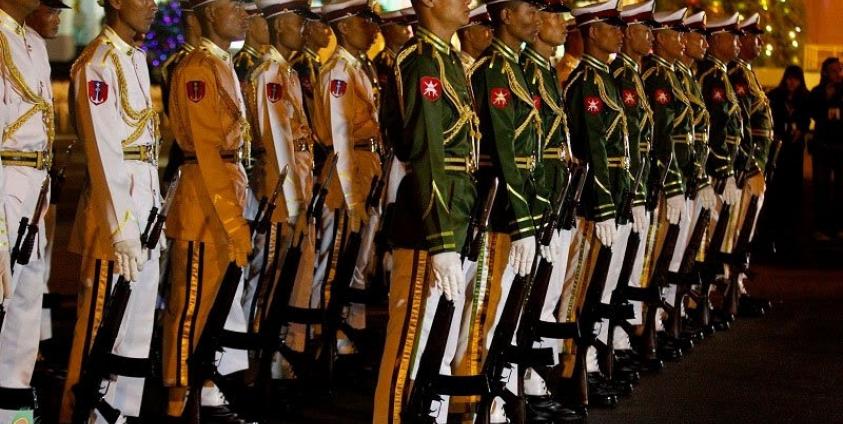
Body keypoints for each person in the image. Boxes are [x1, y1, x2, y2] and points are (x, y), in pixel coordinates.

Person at [372, 0, 479, 418]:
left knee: (441, 337)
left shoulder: (448, 59)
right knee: (410, 345)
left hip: (454, 210)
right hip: (428, 221)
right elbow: (427, 151)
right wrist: (440, 239)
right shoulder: (421, 61)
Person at [61, 0, 161, 420]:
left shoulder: (134, 58)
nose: (153, 6)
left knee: (135, 330)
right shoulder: (97, 62)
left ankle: (121, 414)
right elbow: (104, 152)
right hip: (115, 211)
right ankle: (85, 414)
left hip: (143, 200)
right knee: (103, 325)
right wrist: (122, 227)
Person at [164, 0, 253, 418]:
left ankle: (206, 391)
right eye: (233, 5)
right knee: (192, 307)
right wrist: (235, 222)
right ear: (208, 13)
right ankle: (179, 402)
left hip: (222, 193)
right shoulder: (199, 67)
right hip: (205, 202)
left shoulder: (221, 63)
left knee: (215, 303)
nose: (244, 13)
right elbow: (205, 149)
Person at [461, 0, 545, 419]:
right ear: (506, 16)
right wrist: (523, 219)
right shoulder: (493, 70)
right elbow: (504, 151)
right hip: (497, 208)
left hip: (514, 204)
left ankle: (492, 391)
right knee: (484, 307)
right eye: (529, 10)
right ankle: (474, 398)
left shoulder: (517, 69)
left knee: (503, 307)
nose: (538, 19)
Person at [560, 0, 629, 413]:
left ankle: (581, 364)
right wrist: (603, 204)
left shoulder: (604, 79)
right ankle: (568, 371)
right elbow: (594, 149)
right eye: (610, 25)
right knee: (575, 291)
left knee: (592, 286)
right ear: (590, 31)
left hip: (606, 198)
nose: (617, 31)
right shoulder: (585, 80)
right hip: (589, 203)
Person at [243, 0, 315, 380]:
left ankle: (276, 355)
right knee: (267, 274)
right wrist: (292, 204)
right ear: (276, 24)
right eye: (296, 22)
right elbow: (276, 144)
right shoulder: (269, 74)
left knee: (285, 275)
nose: (302, 29)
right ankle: (256, 358)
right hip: (278, 194)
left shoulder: (285, 71)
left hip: (295, 190)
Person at [311, 0, 382, 356]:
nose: (372, 26)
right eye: (364, 20)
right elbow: (339, 135)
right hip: (346, 172)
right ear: (345, 26)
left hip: (365, 164)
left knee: (359, 260)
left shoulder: (357, 68)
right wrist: (352, 195)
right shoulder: (338, 71)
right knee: (337, 256)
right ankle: (328, 337)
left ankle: (349, 334)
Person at [518, 0, 577, 419]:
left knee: (547, 291)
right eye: (553, 16)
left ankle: (534, 378)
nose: (562, 23)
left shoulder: (545, 71)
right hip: (535, 200)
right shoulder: (524, 71)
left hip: (553, 197)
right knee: (526, 297)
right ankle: (523, 382)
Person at [0, 0, 55, 420]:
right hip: (4, 181)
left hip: (36, 185)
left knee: (25, 305)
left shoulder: (32, 40)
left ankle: (13, 410)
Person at [604, 0, 657, 377]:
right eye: (643, 30)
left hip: (634, 184)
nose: (645, 36)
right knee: (609, 276)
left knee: (629, 268)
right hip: (618, 190)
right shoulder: (619, 73)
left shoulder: (633, 74)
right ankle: (605, 348)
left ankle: (618, 341)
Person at [24, 0, 71, 351]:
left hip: (37, 179)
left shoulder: (35, 46)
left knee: (31, 286)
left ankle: (20, 402)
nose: (56, 18)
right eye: (50, 10)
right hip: (13, 180)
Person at [764, 65, 810, 253]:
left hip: (795, 148)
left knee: (794, 189)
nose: (792, 83)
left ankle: (791, 234)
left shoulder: (804, 98)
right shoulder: (775, 96)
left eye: (796, 79)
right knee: (776, 189)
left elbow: (807, 117)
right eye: (789, 78)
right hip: (779, 148)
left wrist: (802, 129)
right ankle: (772, 234)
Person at [809, 57, 843, 240]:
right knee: (821, 187)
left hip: (840, 146)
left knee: (840, 189)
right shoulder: (817, 92)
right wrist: (826, 99)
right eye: (834, 71)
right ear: (825, 72)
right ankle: (821, 228)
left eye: (840, 70)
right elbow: (812, 112)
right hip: (822, 146)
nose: (838, 74)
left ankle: (838, 227)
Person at [233, 1, 269, 83]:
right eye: (266, 22)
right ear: (249, 25)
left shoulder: (260, 58)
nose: (270, 28)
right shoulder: (242, 63)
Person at [456, 4, 492, 71]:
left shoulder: (484, 65)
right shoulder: (459, 68)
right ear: (468, 35)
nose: (491, 35)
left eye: (491, 30)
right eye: (486, 30)